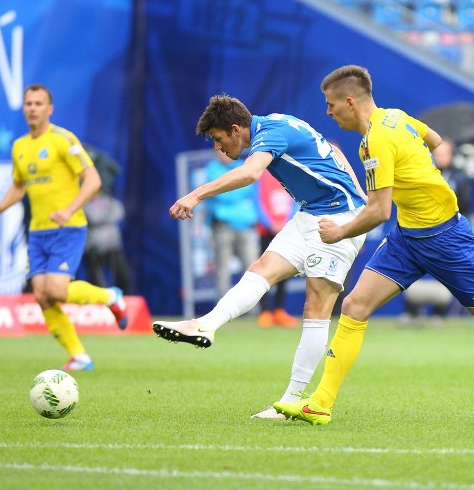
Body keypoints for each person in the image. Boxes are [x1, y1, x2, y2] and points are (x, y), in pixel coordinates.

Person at [274, 65, 474, 425]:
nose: (328, 113)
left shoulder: (375, 140)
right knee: (355, 306)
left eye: (331, 105)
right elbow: (436, 141)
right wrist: (420, 172)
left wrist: (339, 232)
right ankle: (320, 404)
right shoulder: (395, 116)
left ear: (350, 102)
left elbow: (377, 212)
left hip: (444, 238)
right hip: (408, 237)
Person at [151, 95, 367, 419]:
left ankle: (292, 402)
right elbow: (332, 149)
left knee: (316, 304)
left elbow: (251, 174)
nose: (220, 149)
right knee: (260, 268)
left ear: (236, 130)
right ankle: (204, 325)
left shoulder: (270, 132)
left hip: (341, 218)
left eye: (219, 140)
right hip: (310, 214)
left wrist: (195, 194)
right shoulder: (274, 125)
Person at [0, 84, 128, 372]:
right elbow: (19, 186)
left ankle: (110, 296)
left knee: (57, 290)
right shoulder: (20, 146)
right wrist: (0, 206)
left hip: (69, 228)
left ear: (50, 109)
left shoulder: (63, 140)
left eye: (38, 103)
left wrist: (70, 208)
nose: (32, 108)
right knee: (40, 294)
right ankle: (80, 356)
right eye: (28, 103)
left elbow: (93, 180)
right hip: (38, 232)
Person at [399, 139, 470, 325]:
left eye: (444, 153)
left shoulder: (459, 178)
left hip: (448, 232)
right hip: (420, 230)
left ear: (452, 156)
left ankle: (440, 313)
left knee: (446, 271)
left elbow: (466, 206)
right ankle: (411, 311)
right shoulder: (421, 172)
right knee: (411, 267)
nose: (440, 157)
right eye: (437, 153)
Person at [205, 149, 261, 295]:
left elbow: (251, 190)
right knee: (222, 270)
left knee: (251, 270)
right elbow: (222, 195)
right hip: (223, 227)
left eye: (225, 150)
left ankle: (254, 311)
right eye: (219, 151)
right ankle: (222, 313)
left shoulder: (244, 166)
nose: (223, 153)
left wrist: (229, 189)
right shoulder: (212, 169)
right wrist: (237, 190)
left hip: (246, 226)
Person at [255, 169, 299, 328]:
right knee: (264, 271)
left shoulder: (290, 173)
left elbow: (296, 201)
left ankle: (279, 310)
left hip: (286, 230)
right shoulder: (261, 174)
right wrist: (269, 223)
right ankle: (265, 311)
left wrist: (286, 223)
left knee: (284, 270)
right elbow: (257, 202)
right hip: (266, 232)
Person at [82, 189, 134, 293]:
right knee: (96, 280)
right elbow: (93, 218)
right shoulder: (84, 203)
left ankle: (124, 301)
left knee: (123, 276)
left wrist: (104, 216)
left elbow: (120, 212)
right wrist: (108, 215)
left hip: (113, 246)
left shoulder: (108, 199)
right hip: (94, 248)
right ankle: (99, 304)